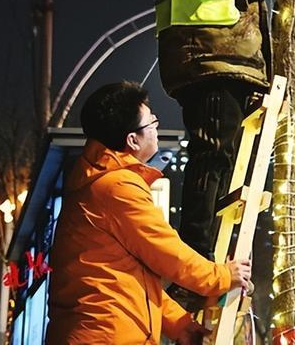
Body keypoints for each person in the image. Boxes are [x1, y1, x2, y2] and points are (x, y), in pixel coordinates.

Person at [143, 0, 282, 270]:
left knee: (225, 160)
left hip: (229, 55)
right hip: (204, 53)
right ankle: (198, 259)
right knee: (211, 152)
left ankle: (214, 259)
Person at [46, 81, 251, 345]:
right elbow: (167, 252)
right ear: (132, 140)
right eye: (151, 122)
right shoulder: (117, 187)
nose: (156, 128)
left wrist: (180, 326)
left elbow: (131, 281)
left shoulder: (98, 183)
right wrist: (221, 276)